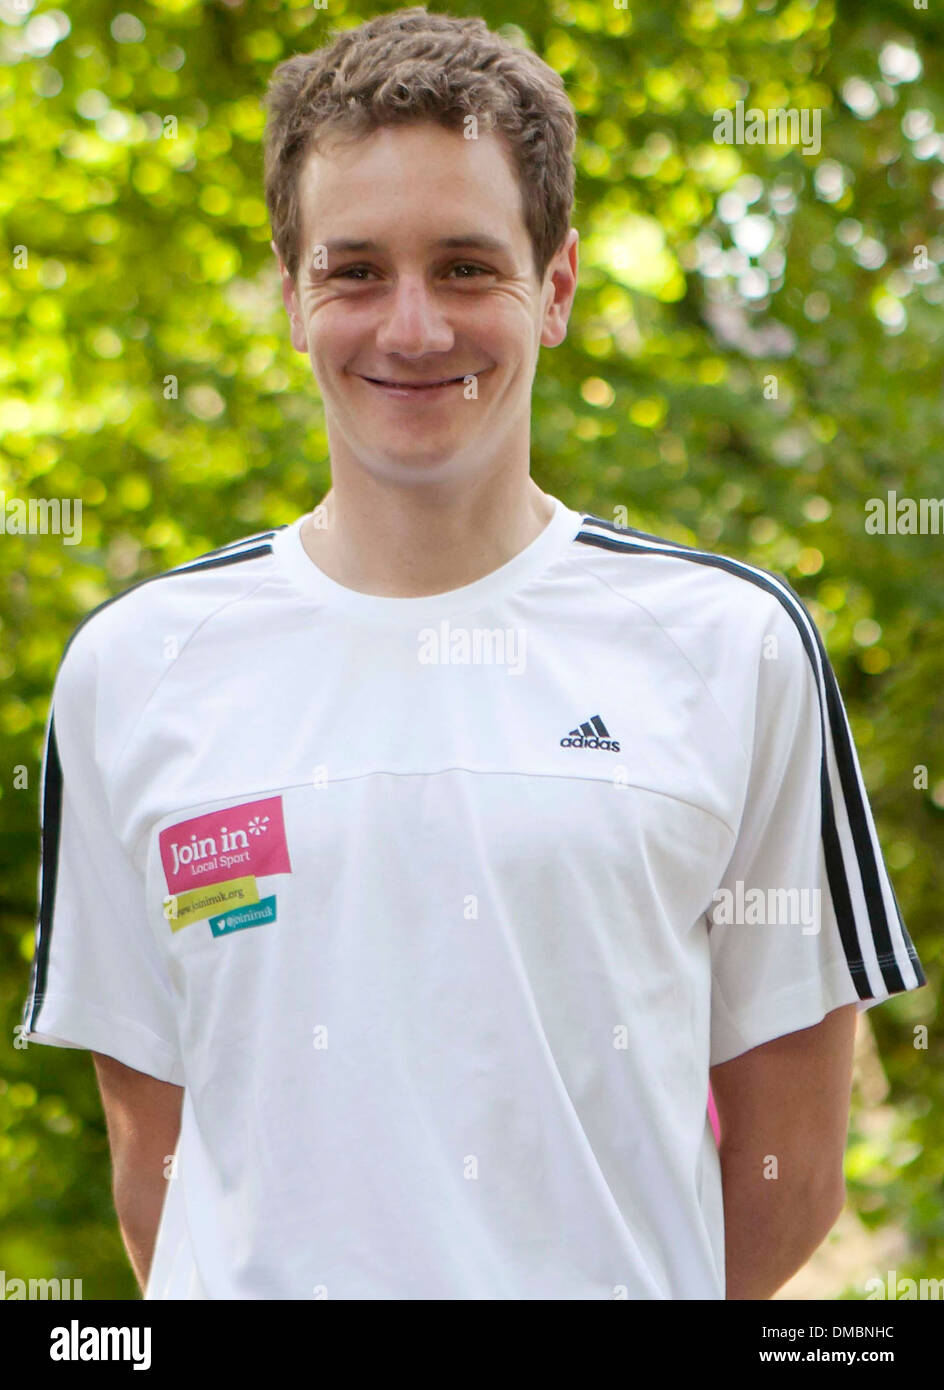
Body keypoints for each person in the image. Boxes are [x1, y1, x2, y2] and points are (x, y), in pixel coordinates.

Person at [21, 7, 925, 1301]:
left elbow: (794, 1164)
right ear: (290, 298)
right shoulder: (135, 671)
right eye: (354, 271)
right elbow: (154, 1161)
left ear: (552, 290)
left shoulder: (734, 651)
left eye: (463, 266)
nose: (411, 327)